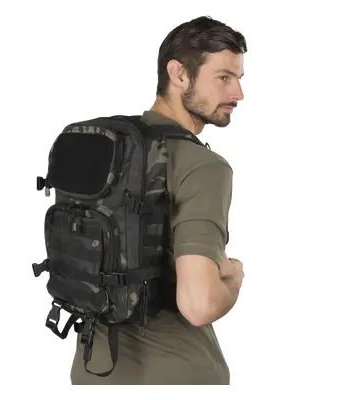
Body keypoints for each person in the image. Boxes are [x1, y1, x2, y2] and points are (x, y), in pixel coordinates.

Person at [70, 15, 247, 385]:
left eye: (239, 79)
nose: (238, 94)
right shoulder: (204, 167)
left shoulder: (101, 147)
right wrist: (232, 281)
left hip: (92, 370)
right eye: (223, 77)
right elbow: (199, 305)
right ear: (178, 74)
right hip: (179, 376)